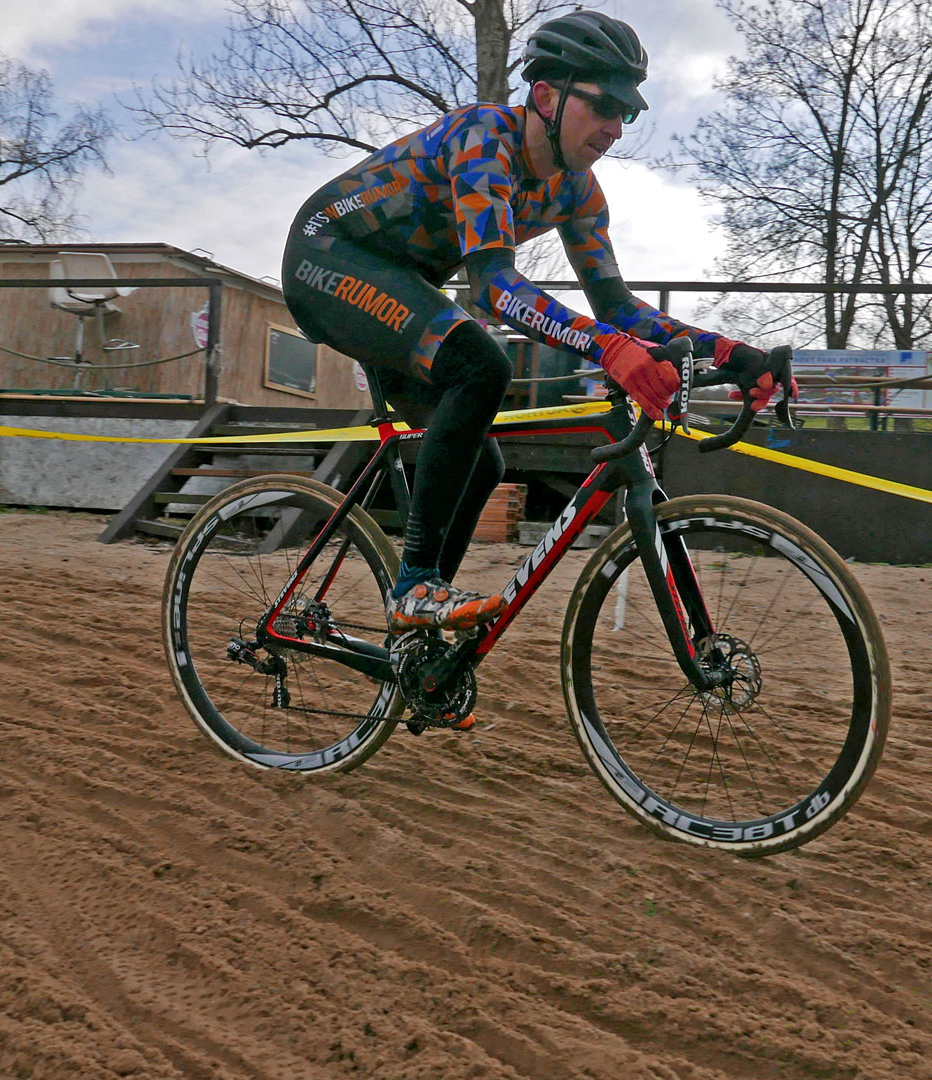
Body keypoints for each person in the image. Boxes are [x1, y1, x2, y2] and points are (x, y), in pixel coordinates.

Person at [281, 9, 793, 634]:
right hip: (326, 255)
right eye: (604, 105)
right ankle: (414, 588)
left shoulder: (578, 191)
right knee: (480, 364)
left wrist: (735, 355)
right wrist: (610, 351)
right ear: (546, 97)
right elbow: (493, 287)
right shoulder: (484, 139)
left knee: (487, 462)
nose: (614, 128)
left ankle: (420, 635)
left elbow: (620, 309)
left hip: (403, 283)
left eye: (627, 114)